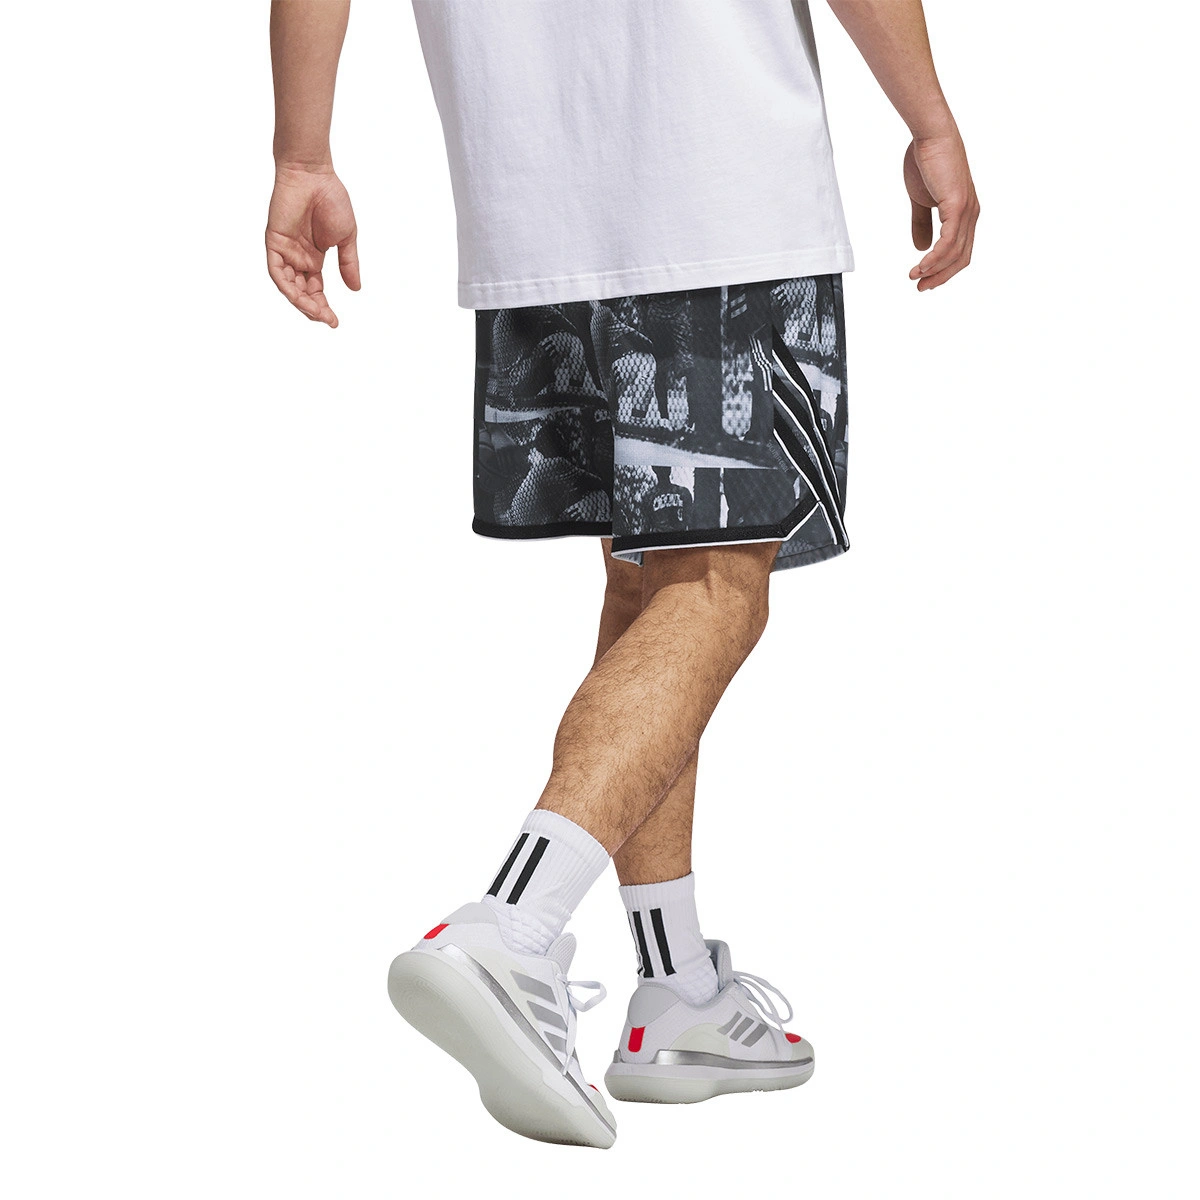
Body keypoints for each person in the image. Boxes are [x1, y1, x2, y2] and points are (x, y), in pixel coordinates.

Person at [266, 0, 978, 1149]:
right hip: (717, 181)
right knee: (716, 590)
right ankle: (511, 926)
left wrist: (303, 152)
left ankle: (677, 991)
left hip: (529, 198)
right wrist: (930, 118)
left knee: (649, 585)